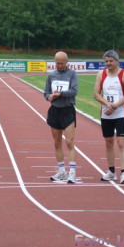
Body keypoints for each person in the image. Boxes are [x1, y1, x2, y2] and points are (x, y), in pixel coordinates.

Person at [94, 50, 124, 184]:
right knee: (108, 143)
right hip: (106, 114)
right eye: (106, 61)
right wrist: (107, 104)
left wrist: (115, 106)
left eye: (111, 61)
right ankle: (111, 172)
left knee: (121, 142)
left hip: (120, 113)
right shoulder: (101, 74)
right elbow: (96, 94)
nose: (108, 63)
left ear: (117, 61)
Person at [44, 51, 78, 184]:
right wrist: (49, 96)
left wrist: (60, 94)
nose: (59, 65)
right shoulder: (52, 75)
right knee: (57, 142)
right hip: (54, 111)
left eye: (62, 63)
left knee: (69, 141)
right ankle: (62, 170)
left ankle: (72, 172)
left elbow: (74, 91)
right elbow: (46, 92)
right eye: (57, 63)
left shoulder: (72, 74)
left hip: (67, 110)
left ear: (66, 62)